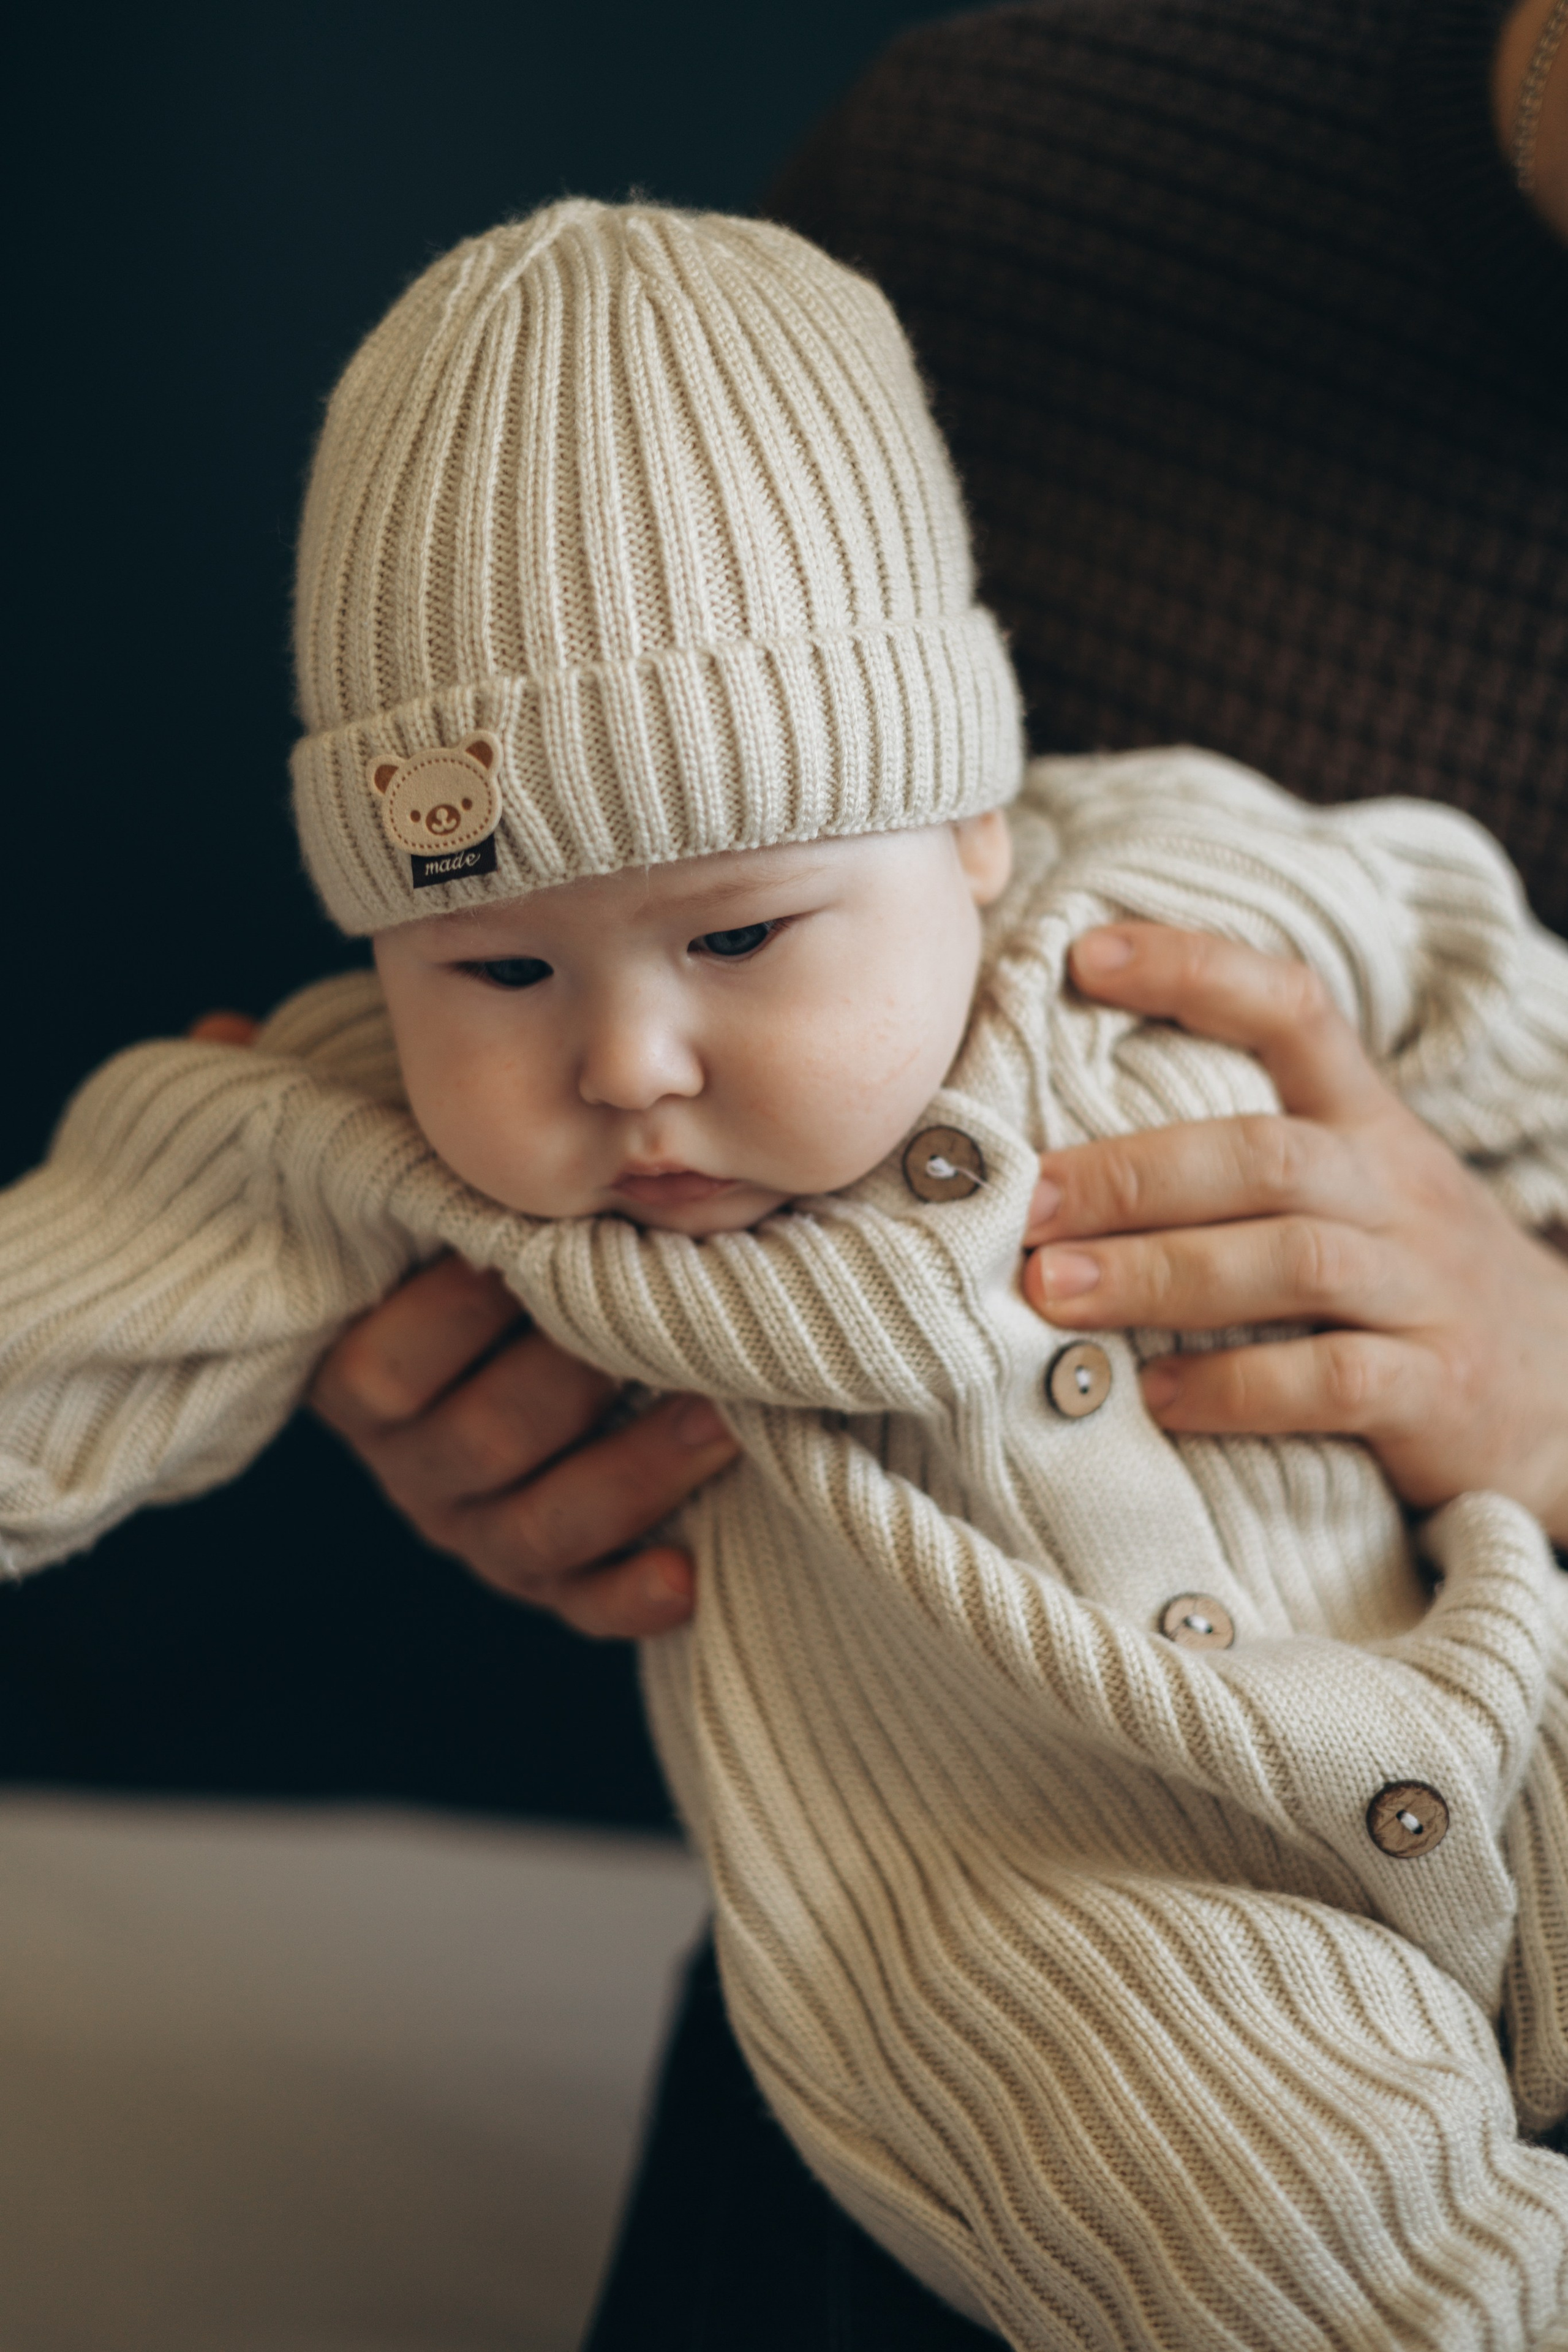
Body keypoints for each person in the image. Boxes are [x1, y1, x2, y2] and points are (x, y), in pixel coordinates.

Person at [3, 198, 1567, 2345]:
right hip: (1050, 1905)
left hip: (1498, 1663)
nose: (628, 1061)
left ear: (971, 831)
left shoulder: (1205, 896)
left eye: (740, 939)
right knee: (1301, 2228)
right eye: (499, 962)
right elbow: (61, 1313)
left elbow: (1508, 1017)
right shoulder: (347, 1121)